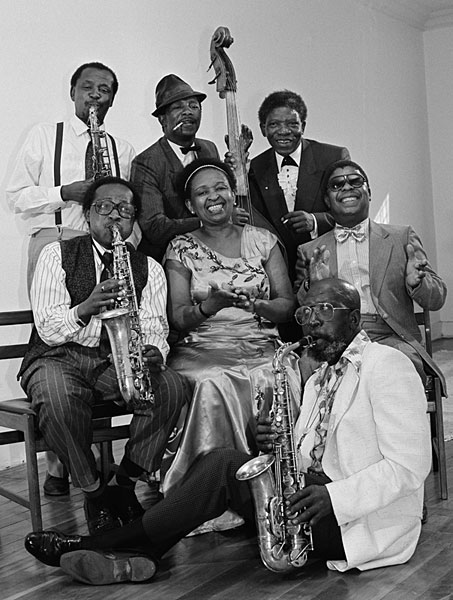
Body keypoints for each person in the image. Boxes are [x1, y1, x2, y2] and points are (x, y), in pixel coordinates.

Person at [24, 278, 431, 584]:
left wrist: (332, 496)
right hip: (308, 503)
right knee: (222, 461)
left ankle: (102, 545)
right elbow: (309, 455)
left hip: (356, 522)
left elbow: (409, 467)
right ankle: (136, 555)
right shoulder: (320, 376)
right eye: (305, 313)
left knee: (220, 467)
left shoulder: (387, 365)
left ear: (354, 317)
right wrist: (277, 444)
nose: (311, 321)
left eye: (323, 309)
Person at [19, 176, 190, 535]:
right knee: (57, 398)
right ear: (87, 214)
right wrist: (85, 308)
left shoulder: (149, 267)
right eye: (105, 207)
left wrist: (154, 351)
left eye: (125, 210)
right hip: (56, 356)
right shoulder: (56, 254)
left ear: (133, 219)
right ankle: (94, 492)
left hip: (115, 358)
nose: (115, 216)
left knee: (171, 387)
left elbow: (154, 326)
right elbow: (48, 328)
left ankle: (124, 484)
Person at [6, 61, 137, 495]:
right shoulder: (45, 135)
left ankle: (90, 456)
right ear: (73, 92)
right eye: (88, 87)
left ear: (112, 98)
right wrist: (65, 192)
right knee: (56, 345)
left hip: (105, 245)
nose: (95, 95)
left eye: (105, 89)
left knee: (101, 343)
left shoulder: (121, 147)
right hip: (56, 239)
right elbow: (16, 196)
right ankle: (59, 465)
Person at [162, 158, 300, 531]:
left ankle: (281, 485)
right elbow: (178, 316)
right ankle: (211, 495)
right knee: (211, 379)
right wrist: (210, 306)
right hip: (203, 342)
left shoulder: (263, 240)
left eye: (220, 187)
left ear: (232, 193)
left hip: (260, 337)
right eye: (202, 192)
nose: (214, 197)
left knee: (277, 372)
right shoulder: (180, 248)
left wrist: (258, 306)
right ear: (190, 205)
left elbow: (287, 305)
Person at [294, 159, 447, 388]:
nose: (347, 187)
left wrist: (417, 283)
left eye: (355, 181)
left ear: (369, 192)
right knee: (308, 367)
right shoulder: (310, 250)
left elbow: (437, 299)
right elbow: (302, 312)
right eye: (337, 185)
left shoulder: (401, 238)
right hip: (335, 339)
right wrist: (313, 285)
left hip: (392, 338)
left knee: (393, 369)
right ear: (327, 200)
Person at [248, 90, 350, 281]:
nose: (284, 131)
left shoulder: (333, 157)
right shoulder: (255, 167)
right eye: (274, 124)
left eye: (292, 124)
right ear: (263, 129)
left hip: (330, 269)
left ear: (303, 126)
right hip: (279, 275)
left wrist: (315, 221)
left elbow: (352, 213)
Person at [130, 74, 221, 262]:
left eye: (194, 106)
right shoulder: (146, 162)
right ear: (162, 119)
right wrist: (211, 220)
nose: (188, 111)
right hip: (168, 259)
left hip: (213, 253)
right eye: (178, 107)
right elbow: (155, 227)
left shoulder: (209, 148)